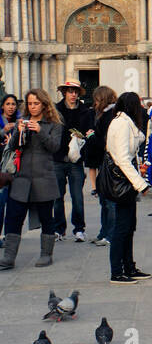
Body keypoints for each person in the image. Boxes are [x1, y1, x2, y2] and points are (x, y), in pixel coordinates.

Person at [0, 89, 64, 269]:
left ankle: (46, 254)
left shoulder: (54, 124)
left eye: (36, 103)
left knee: (46, 217)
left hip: (44, 177)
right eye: (29, 103)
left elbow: (54, 147)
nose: (32, 107)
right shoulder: (22, 121)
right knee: (13, 217)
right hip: (21, 178)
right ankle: (8, 257)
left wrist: (41, 131)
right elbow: (12, 146)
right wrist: (18, 132)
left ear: (44, 104)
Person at [103, 91, 150, 283]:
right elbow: (122, 158)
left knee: (129, 226)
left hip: (126, 180)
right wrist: (141, 184)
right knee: (122, 227)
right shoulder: (121, 124)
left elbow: (137, 142)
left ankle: (129, 266)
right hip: (122, 180)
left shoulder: (126, 122)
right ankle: (117, 271)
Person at [52, 78, 94, 241]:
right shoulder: (56, 110)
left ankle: (79, 228)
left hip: (76, 159)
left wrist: (83, 136)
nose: (73, 95)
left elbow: (89, 132)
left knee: (77, 196)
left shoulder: (85, 111)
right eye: (70, 91)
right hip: (58, 158)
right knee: (57, 196)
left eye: (75, 92)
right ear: (64, 93)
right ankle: (59, 228)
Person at [83, 85, 118, 246]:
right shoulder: (103, 114)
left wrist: (91, 136)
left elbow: (105, 141)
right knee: (104, 201)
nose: (95, 103)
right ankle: (103, 232)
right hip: (102, 163)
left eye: (97, 99)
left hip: (108, 164)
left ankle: (110, 234)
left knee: (109, 202)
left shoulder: (109, 116)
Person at [0, 93, 21, 242]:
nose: (11, 107)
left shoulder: (19, 121)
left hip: (14, 166)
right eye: (8, 104)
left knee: (12, 204)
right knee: (0, 203)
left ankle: (9, 235)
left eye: (13, 104)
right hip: (1, 166)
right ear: (2, 106)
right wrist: (4, 131)